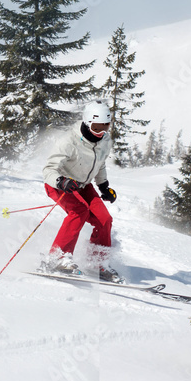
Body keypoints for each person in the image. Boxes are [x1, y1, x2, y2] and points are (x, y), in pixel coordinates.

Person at [41, 100, 121, 283]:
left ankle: (98, 262)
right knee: (79, 212)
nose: (101, 131)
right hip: (59, 184)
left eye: (106, 126)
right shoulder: (69, 141)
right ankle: (58, 258)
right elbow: (48, 170)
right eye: (97, 126)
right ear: (87, 122)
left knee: (104, 219)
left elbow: (99, 165)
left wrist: (103, 186)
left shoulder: (104, 141)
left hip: (83, 186)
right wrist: (61, 181)